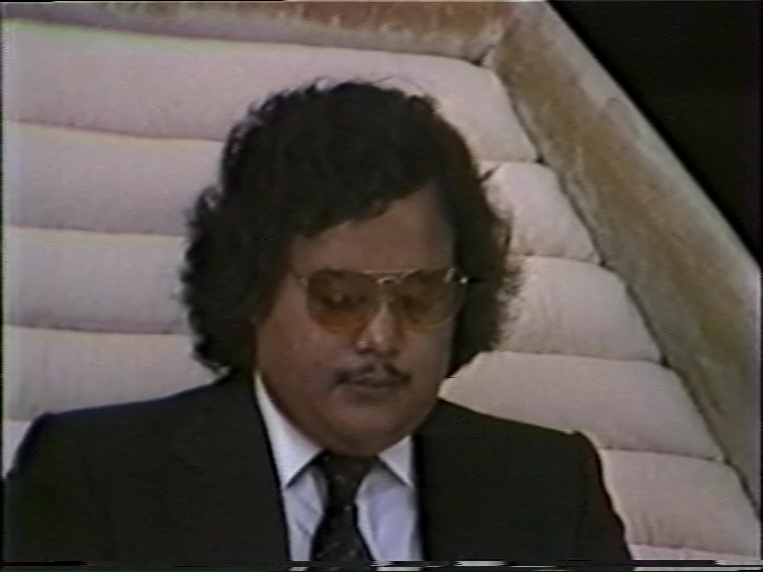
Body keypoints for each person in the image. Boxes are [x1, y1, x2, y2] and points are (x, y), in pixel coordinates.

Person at [4, 80, 632, 569]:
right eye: (339, 299)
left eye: (418, 298)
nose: (381, 338)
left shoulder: (551, 486)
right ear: (252, 294)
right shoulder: (96, 477)